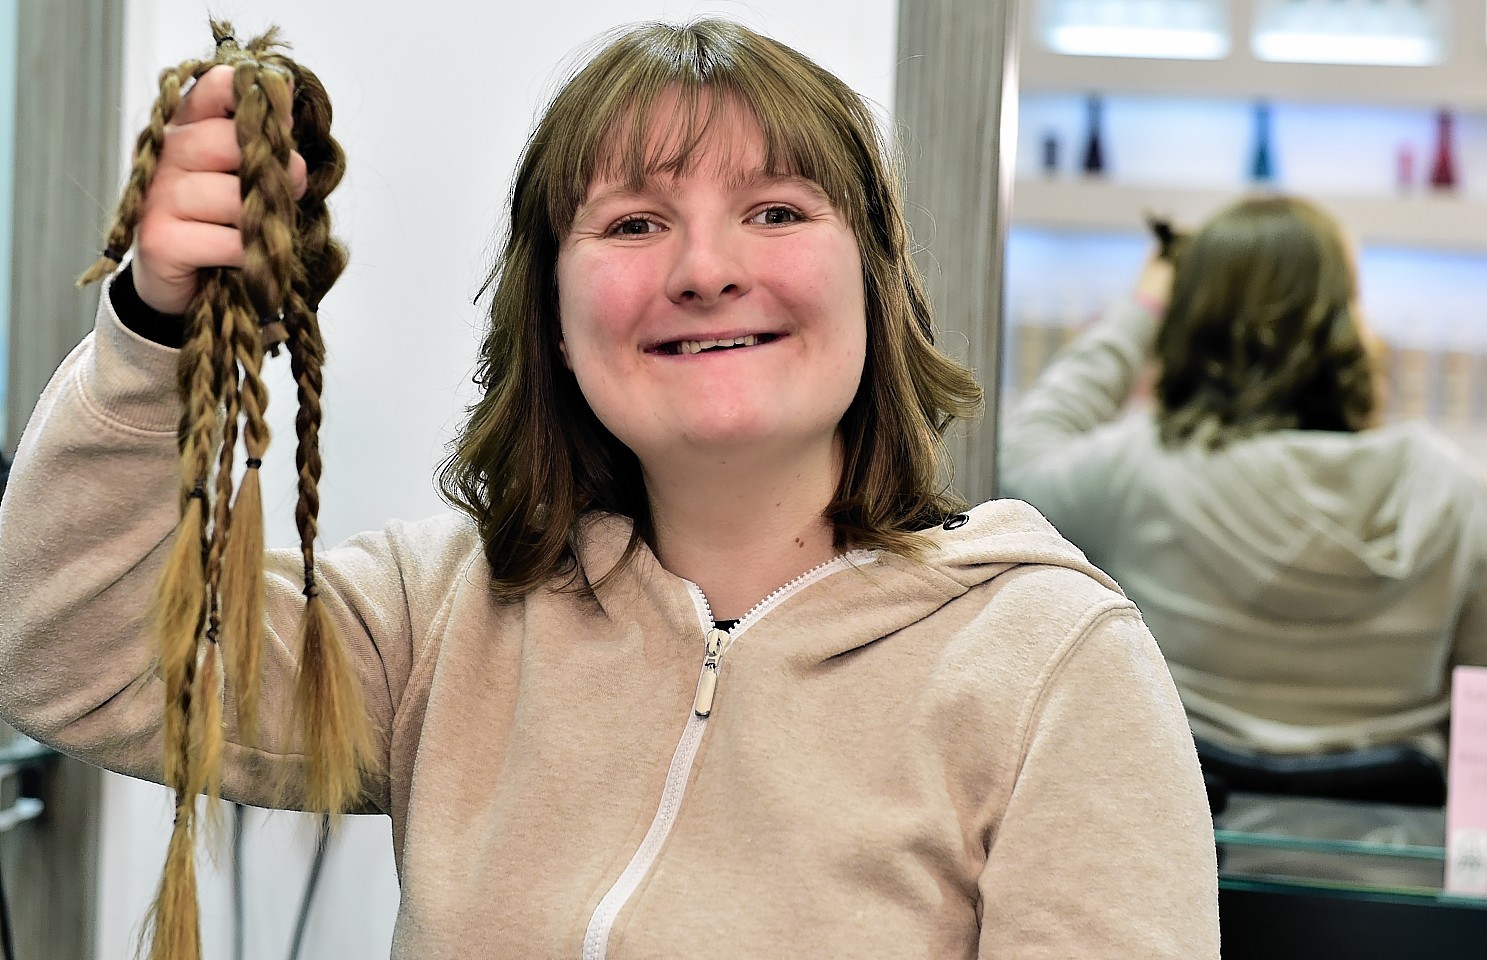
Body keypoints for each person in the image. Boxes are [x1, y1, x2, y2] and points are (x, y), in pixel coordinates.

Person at [0, 19, 1218, 957]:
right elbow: (74, 655)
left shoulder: (1052, 665)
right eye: (632, 223)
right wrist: (152, 328)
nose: (704, 269)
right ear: (556, 318)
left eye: (775, 209)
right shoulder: (440, 619)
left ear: (875, 286)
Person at [1003, 194, 1487, 778]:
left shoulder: (1144, 470)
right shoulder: (1454, 495)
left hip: (1189, 850)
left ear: (1189, 323)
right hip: (1385, 855)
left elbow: (1020, 461)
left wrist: (1144, 305)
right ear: (1343, 324)